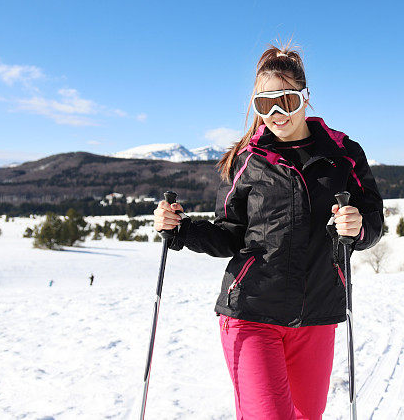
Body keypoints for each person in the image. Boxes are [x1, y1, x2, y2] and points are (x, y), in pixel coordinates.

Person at [153, 42, 384, 420]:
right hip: (252, 312)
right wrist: (181, 229)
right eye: (265, 104)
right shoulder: (246, 159)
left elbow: (374, 220)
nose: (276, 114)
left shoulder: (343, 153)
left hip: (317, 315)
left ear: (305, 98)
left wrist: (357, 228)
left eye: (286, 101)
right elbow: (229, 233)